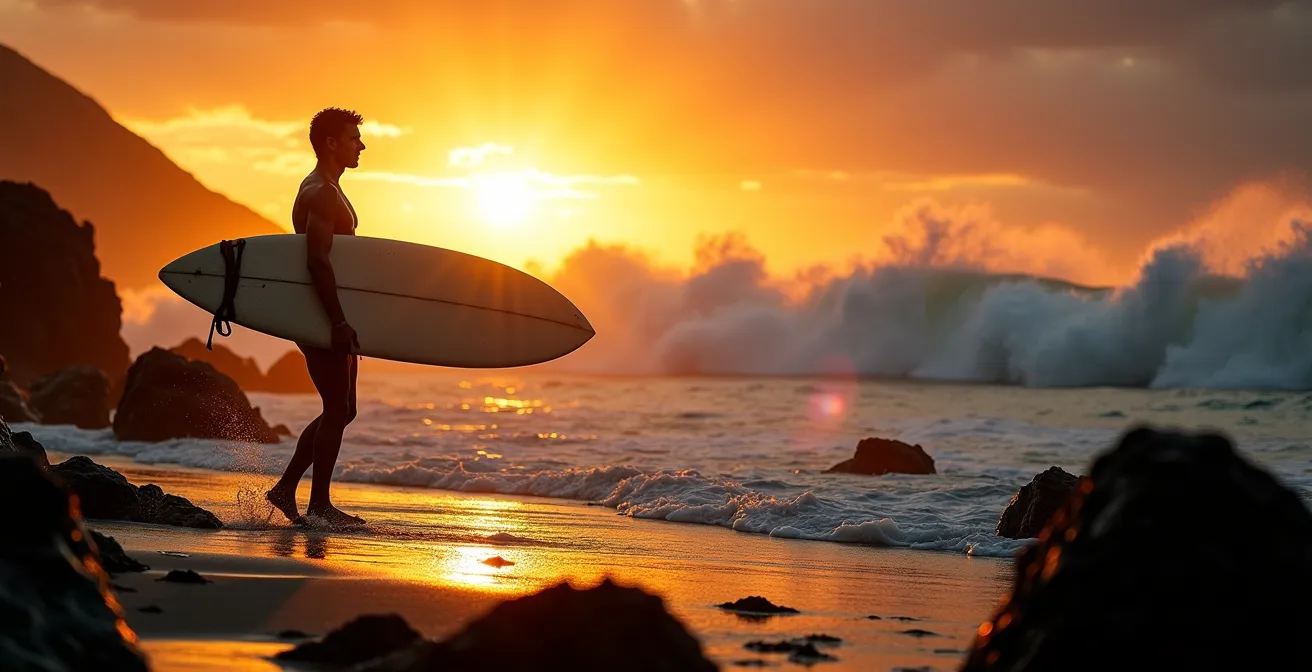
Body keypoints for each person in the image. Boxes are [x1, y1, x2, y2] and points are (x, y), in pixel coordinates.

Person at [265, 107, 368, 528]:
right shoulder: (321, 192)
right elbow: (317, 263)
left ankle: (286, 490)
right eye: (352, 138)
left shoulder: (331, 189)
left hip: (330, 315)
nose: (360, 145)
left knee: (344, 410)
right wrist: (338, 323)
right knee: (335, 406)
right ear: (330, 143)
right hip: (320, 316)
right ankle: (318, 504)